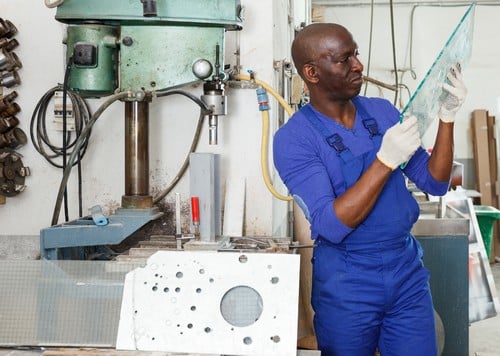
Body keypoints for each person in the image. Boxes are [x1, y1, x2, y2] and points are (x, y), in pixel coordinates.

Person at [273, 23, 467, 355]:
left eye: (356, 54)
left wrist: (446, 118)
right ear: (312, 72)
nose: (358, 65)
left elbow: (435, 182)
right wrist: (385, 160)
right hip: (347, 282)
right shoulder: (294, 139)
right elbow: (331, 225)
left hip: (405, 272)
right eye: (343, 59)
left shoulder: (382, 113)